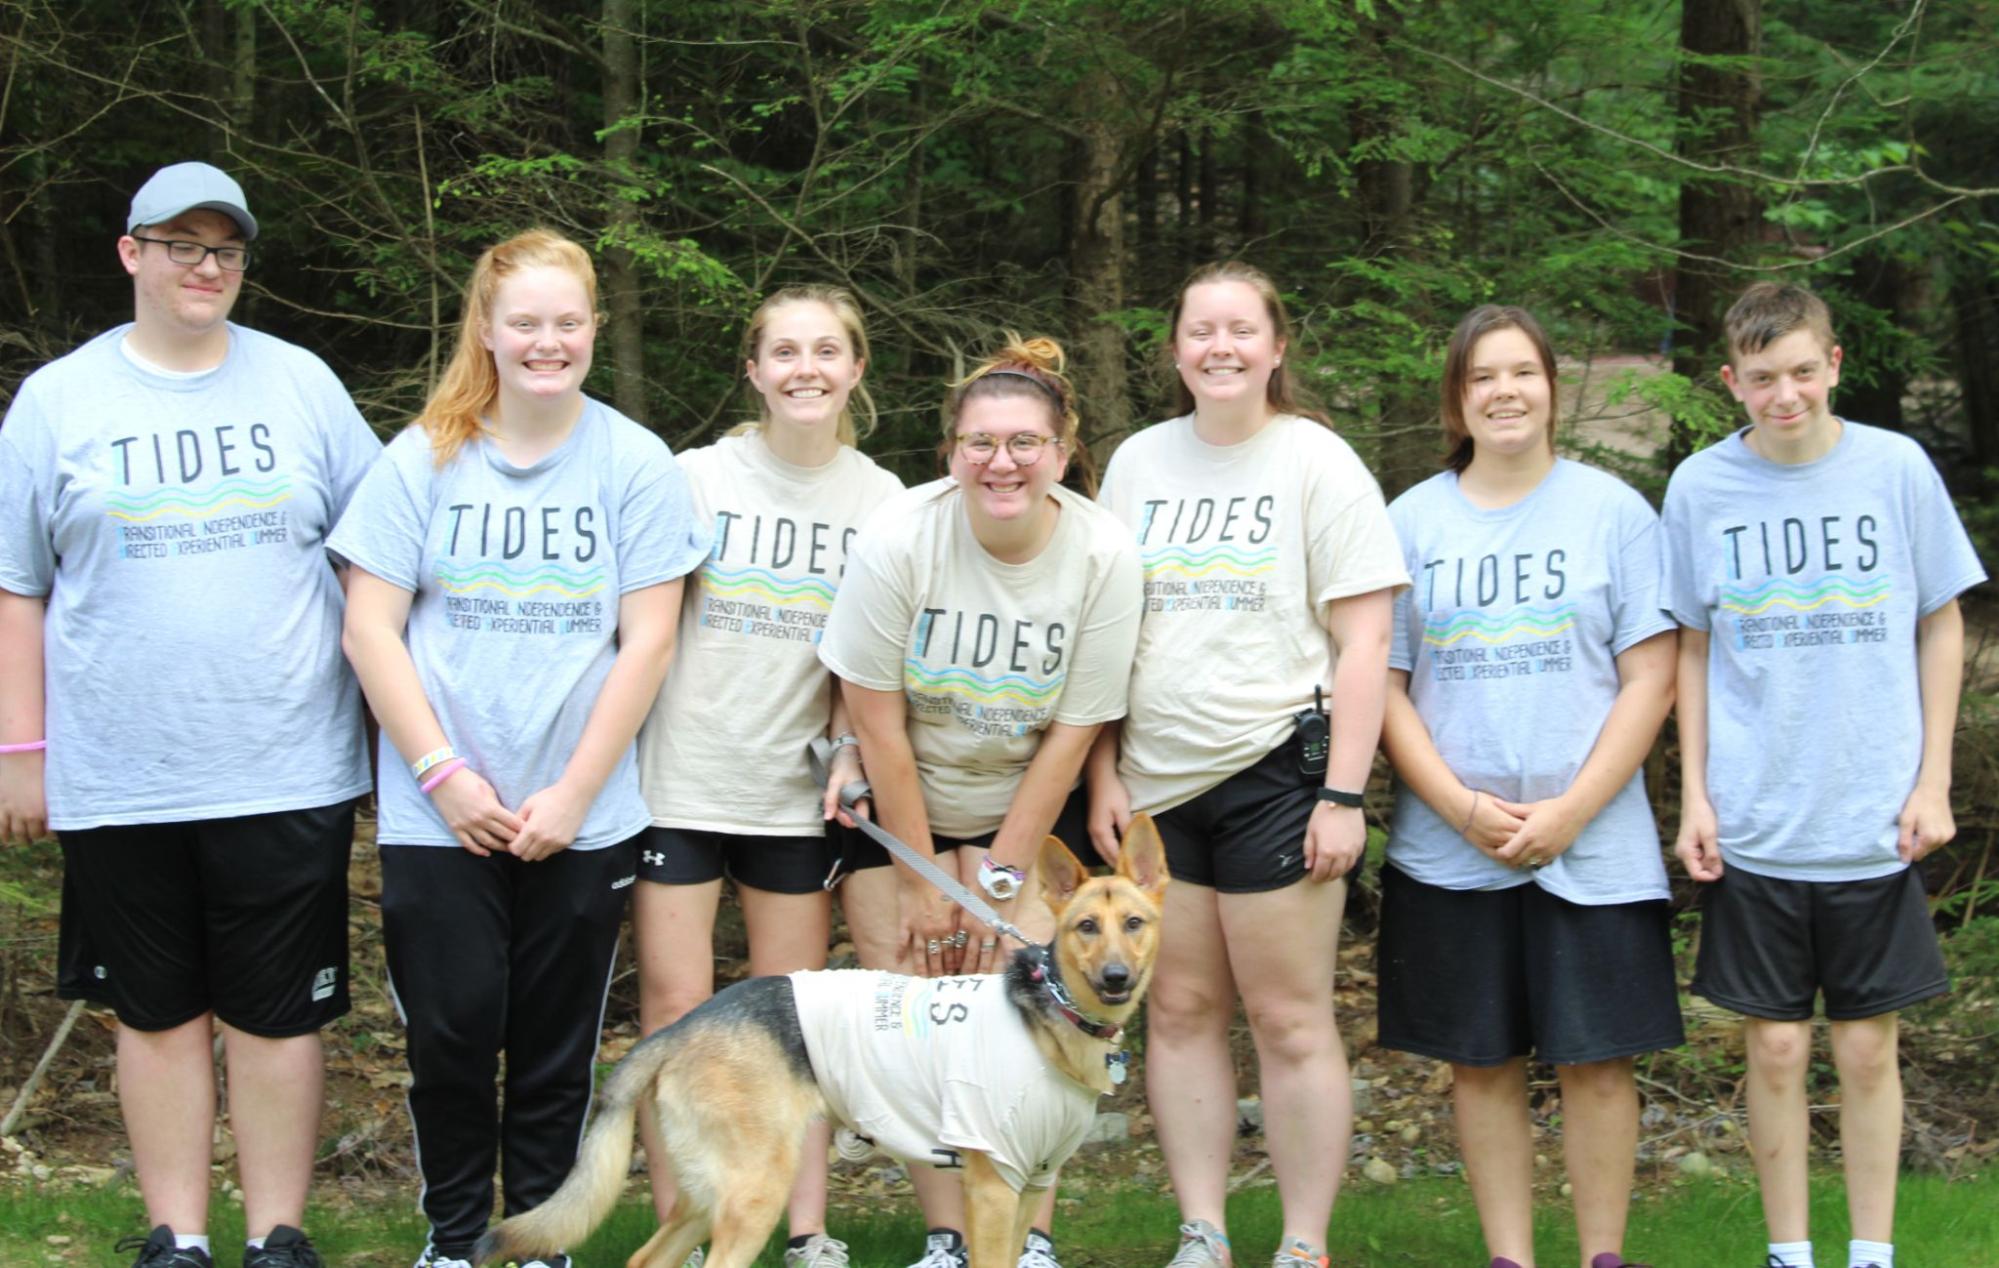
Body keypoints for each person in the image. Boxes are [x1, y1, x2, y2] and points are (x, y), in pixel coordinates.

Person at [0, 162, 380, 1268]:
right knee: (155, 1013)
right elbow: (17, 585)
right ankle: (178, 1237)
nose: (205, 267)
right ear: (132, 253)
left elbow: (380, 557)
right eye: (181, 246)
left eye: (225, 250)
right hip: (119, 766)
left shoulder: (301, 384)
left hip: (286, 759)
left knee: (278, 1015)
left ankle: (277, 1234)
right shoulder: (59, 401)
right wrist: (23, 747)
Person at [330, 229, 707, 1268]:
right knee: (450, 1036)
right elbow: (370, 628)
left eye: (568, 322)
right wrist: (445, 777)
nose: (549, 341)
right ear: (488, 333)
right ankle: (456, 1239)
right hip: (439, 813)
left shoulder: (634, 461)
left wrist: (575, 791)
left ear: (592, 329)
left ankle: (533, 1242)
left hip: (578, 816)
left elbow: (650, 638)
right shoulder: (425, 457)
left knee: (554, 1047)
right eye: (527, 323)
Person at [1088, 260, 1406, 1268]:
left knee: (1286, 1013)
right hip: (1155, 783)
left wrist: (1344, 794)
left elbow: (1365, 642)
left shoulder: (1317, 461)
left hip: (1279, 772)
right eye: (1199, 331)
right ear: (1175, 348)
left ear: (1275, 345)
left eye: (1239, 330)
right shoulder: (1137, 462)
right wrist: (1103, 772)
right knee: (1178, 1009)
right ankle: (1203, 1230)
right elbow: (1098, 628)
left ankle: (1303, 1241)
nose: (1218, 347)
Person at [1663, 282, 1985, 1268]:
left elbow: (1941, 618)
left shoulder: (1894, 468)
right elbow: (1690, 644)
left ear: (1833, 363)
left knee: (1863, 1046)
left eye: (1803, 371)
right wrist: (1696, 796)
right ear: (1732, 382)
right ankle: (1788, 1249)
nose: (1785, 393)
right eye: (1762, 378)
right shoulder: (1700, 487)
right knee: (1771, 1046)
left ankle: (1872, 1249)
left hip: (1873, 815)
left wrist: (1932, 779)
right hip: (1757, 817)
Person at [818, 335, 1144, 1268]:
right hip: (909, 794)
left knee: (1035, 1010)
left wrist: (999, 885)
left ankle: (1029, 1239)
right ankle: (949, 1235)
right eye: (980, 443)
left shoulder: (1102, 551)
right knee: (918, 1004)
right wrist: (925, 884)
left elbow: (1072, 733)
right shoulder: (900, 536)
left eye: (1024, 443)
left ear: (1061, 448)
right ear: (950, 450)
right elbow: (877, 724)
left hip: (1024, 799)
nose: (1001, 463)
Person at [1376, 305, 1680, 1268]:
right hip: (1449, 849)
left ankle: (1602, 1255)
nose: (1504, 392)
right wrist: (1457, 806)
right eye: (1481, 378)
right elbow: (1379, 686)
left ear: (1552, 387)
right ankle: (1509, 1256)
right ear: (1456, 401)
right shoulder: (1410, 521)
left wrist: (1572, 811)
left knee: (1597, 1062)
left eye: (1522, 373)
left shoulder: (1614, 513)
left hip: (1593, 845)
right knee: (1480, 1060)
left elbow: (1651, 675)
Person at [633, 284, 903, 1268]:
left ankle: (804, 1229)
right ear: (753, 369)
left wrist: (845, 747)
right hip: (682, 779)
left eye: (826, 350)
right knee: (675, 1013)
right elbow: (643, 626)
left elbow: (865, 662)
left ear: (855, 367)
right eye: (784, 351)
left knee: (791, 1021)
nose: (805, 368)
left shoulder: (882, 500)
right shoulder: (694, 477)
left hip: (797, 797)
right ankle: (688, 1222)